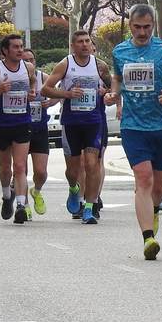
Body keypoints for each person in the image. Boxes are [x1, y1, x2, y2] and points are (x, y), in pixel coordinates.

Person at [108, 4, 162, 258]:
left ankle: (156, 209)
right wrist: (114, 92)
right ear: (130, 26)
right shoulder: (120, 51)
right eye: (137, 27)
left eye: (147, 27)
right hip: (133, 125)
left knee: (159, 186)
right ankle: (148, 238)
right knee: (144, 178)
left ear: (153, 26)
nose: (142, 32)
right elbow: (117, 77)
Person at [42, 29, 110, 224]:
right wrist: (67, 94)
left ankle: (89, 208)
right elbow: (45, 89)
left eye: (87, 41)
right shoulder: (65, 64)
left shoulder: (100, 65)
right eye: (80, 42)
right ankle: (73, 189)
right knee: (72, 171)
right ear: (73, 45)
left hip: (93, 122)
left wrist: (105, 91)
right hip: (71, 123)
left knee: (92, 164)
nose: (85, 45)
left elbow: (113, 87)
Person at [0, 34, 36, 224]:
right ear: (5, 50)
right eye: (16, 47)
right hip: (1, 124)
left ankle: (20, 205)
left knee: (20, 166)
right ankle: (6, 196)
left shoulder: (28, 67)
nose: (20, 50)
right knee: (5, 168)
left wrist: (32, 93)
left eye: (21, 46)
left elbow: (32, 82)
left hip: (22, 122)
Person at [21, 48, 55, 218]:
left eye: (31, 59)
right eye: (25, 60)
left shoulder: (43, 78)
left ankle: (37, 191)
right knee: (21, 170)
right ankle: (24, 205)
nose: (29, 63)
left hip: (40, 129)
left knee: (41, 172)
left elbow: (59, 93)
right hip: (20, 128)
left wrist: (50, 102)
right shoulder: (15, 77)